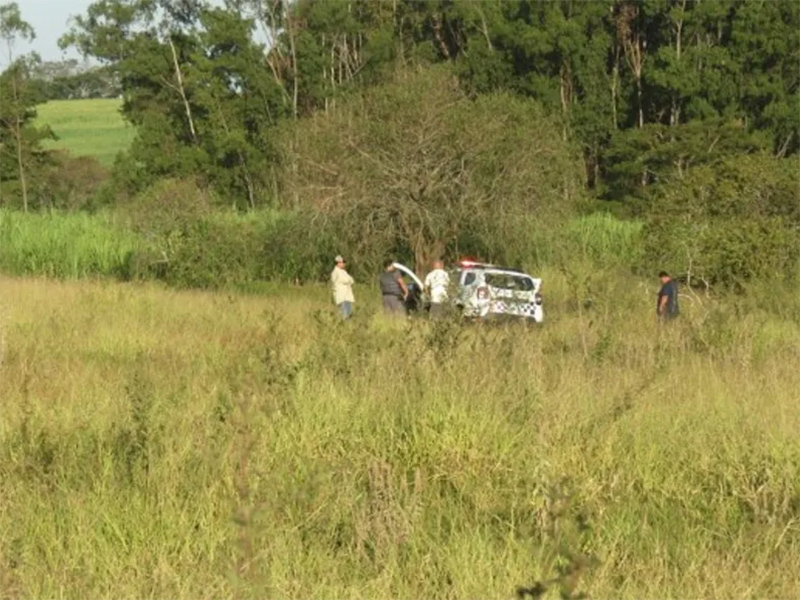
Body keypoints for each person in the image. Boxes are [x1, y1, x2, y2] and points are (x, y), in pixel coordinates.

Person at [330, 255, 354, 319]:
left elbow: (351, 280)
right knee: (343, 314)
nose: (344, 264)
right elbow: (344, 280)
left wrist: (348, 281)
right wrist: (347, 281)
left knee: (348, 314)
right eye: (343, 262)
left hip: (347, 296)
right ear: (338, 262)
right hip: (341, 297)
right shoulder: (335, 272)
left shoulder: (344, 271)